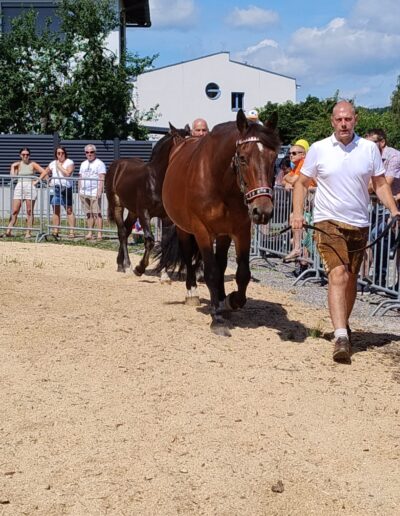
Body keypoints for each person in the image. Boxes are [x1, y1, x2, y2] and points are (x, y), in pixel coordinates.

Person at [292, 101, 400, 364]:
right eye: (339, 119)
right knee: (338, 274)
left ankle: (343, 324)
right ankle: (341, 336)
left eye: (348, 119)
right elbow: (301, 183)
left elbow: (378, 184)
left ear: (355, 120)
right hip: (327, 220)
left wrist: (394, 209)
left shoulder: (369, 149)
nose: (343, 124)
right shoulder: (318, 149)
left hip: (359, 222)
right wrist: (297, 213)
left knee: (351, 277)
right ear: (332, 121)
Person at [365, 129, 400, 286]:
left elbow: (385, 183)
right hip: (378, 205)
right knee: (372, 237)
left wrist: (372, 185)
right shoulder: (370, 157)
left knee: (379, 235)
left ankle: (383, 278)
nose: (368, 147)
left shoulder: (394, 156)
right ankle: (376, 277)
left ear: (382, 142)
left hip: (393, 206)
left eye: (372, 143)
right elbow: (366, 186)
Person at [4, 148, 46, 238]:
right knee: (15, 211)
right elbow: (13, 177)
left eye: (27, 154)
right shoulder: (18, 165)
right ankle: (8, 231)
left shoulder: (33, 164)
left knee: (29, 211)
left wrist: (36, 181)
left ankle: (28, 232)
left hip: (30, 187)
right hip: (19, 186)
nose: (25, 156)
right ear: (20, 155)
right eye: (23, 155)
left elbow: (44, 172)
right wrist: (12, 166)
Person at [36, 146, 76, 238]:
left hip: (66, 188)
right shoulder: (52, 163)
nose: (60, 155)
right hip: (55, 188)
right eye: (58, 153)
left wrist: (59, 166)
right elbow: (45, 172)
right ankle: (55, 230)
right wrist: (37, 181)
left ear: (65, 154)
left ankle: (72, 232)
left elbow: (67, 174)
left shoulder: (69, 162)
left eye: (62, 153)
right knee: (55, 210)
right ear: (56, 154)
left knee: (69, 210)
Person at [78, 144, 106, 240]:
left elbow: (102, 178)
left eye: (91, 152)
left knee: (97, 213)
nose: (89, 154)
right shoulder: (83, 164)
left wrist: (99, 191)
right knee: (88, 214)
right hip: (84, 192)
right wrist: (79, 190)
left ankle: (99, 234)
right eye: (87, 152)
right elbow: (80, 177)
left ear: (95, 152)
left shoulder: (99, 163)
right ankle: (90, 232)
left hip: (94, 192)